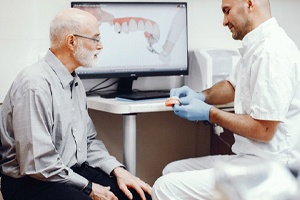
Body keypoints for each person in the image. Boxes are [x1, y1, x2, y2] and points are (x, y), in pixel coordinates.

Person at [152, 0, 300, 199]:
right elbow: (232, 85)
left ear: (249, 4)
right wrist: (201, 95)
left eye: (227, 11)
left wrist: (210, 113)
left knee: (164, 187)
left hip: (271, 170)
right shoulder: (257, 45)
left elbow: (264, 130)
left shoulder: (272, 51)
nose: (224, 21)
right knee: (172, 170)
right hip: (250, 158)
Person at [0, 8, 151, 200]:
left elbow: (88, 142)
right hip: (31, 181)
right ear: (71, 41)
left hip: (69, 171)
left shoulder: (75, 82)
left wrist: (118, 171)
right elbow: (38, 164)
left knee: (138, 195)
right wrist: (89, 188)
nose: (100, 46)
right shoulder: (34, 85)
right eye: (95, 38)